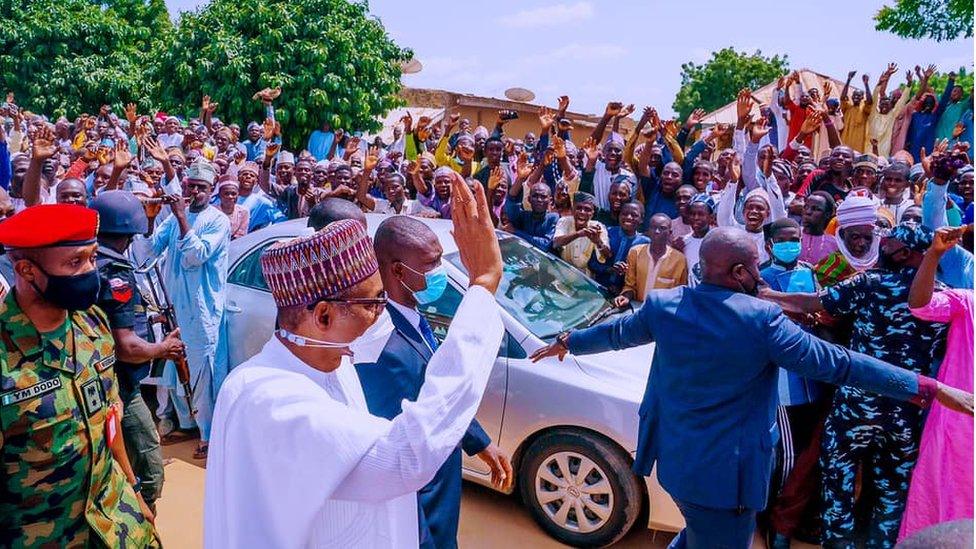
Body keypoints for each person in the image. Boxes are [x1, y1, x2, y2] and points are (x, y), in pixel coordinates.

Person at [530, 225, 973, 548]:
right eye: (757, 264)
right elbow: (839, 364)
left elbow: (617, 332)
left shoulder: (663, 306)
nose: (761, 269)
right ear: (740, 272)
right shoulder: (762, 321)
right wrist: (928, 386)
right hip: (728, 484)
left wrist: (567, 343)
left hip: (677, 465)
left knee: (697, 536)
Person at [204, 177, 506, 548]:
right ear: (325, 316)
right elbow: (405, 458)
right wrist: (484, 284)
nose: (382, 313)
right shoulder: (269, 398)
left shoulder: (333, 362)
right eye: (373, 303)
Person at [762, 223, 951, 547]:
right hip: (906, 413)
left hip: (856, 408)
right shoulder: (943, 297)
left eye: (888, 241)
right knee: (892, 492)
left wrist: (768, 295)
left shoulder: (870, 283)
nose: (881, 245)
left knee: (838, 484)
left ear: (903, 252)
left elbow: (813, 304)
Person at [0, 204, 158, 546]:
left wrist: (133, 489)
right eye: (75, 263)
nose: (91, 271)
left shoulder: (92, 322)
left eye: (90, 258)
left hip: (116, 524)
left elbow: (110, 415)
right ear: (26, 270)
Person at [358, 215, 513, 548]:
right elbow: (400, 456)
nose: (440, 270)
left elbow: (436, 394)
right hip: (424, 511)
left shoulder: (411, 313)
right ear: (398, 271)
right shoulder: (383, 345)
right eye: (431, 264)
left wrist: (479, 442)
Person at [92, 191, 184, 511]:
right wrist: (164, 348)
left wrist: (150, 317)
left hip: (96, 385)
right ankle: (144, 525)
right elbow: (128, 347)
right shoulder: (115, 270)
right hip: (121, 388)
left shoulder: (91, 261)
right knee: (148, 472)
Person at [151, 159, 230, 460]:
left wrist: (182, 217)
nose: (194, 191)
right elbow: (150, 249)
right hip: (175, 306)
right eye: (190, 186)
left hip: (202, 310)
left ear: (211, 191)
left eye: (201, 188)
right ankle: (186, 424)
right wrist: (151, 219)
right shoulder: (172, 219)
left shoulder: (217, 221)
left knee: (201, 374)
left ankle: (207, 434)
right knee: (175, 369)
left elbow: (197, 255)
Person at [899, 226, 973, 540]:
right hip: (959, 429)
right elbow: (920, 305)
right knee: (944, 513)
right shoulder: (968, 303)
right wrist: (933, 256)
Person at [614, 213, 687, 308]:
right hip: (637, 310)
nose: (657, 231)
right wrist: (626, 297)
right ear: (648, 230)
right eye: (653, 227)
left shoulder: (679, 260)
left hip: (662, 313)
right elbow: (630, 285)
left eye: (662, 228)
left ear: (670, 232)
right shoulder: (635, 252)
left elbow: (679, 293)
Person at [814, 195, 879, 287]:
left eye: (867, 238)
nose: (862, 243)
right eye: (855, 237)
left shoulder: (881, 261)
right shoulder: (830, 268)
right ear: (842, 235)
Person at [588, 202, 649, 294]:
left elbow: (641, 274)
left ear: (641, 219)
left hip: (623, 294)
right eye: (624, 214)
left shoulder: (645, 243)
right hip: (597, 288)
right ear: (619, 216)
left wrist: (623, 284)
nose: (628, 217)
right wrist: (610, 269)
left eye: (634, 215)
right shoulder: (607, 233)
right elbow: (592, 263)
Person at [552, 192, 610, 276]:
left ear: (592, 213)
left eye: (587, 209)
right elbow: (556, 243)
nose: (582, 212)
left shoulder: (598, 227)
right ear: (572, 210)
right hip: (561, 271)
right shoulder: (564, 221)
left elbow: (607, 255)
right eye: (579, 208)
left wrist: (598, 241)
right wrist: (578, 234)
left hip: (583, 277)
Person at [504, 175, 558, 251]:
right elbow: (511, 203)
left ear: (550, 200)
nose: (539, 199)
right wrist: (520, 179)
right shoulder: (524, 216)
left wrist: (516, 232)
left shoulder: (553, 218)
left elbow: (545, 245)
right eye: (535, 196)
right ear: (529, 199)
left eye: (543, 197)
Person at [678, 194, 713, 287]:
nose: (696, 217)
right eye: (693, 214)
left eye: (701, 214)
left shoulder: (717, 242)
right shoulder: (682, 242)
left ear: (711, 217)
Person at [799, 191, 838, 265]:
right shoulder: (792, 237)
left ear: (827, 214)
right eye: (806, 207)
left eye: (815, 209)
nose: (808, 212)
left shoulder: (834, 245)